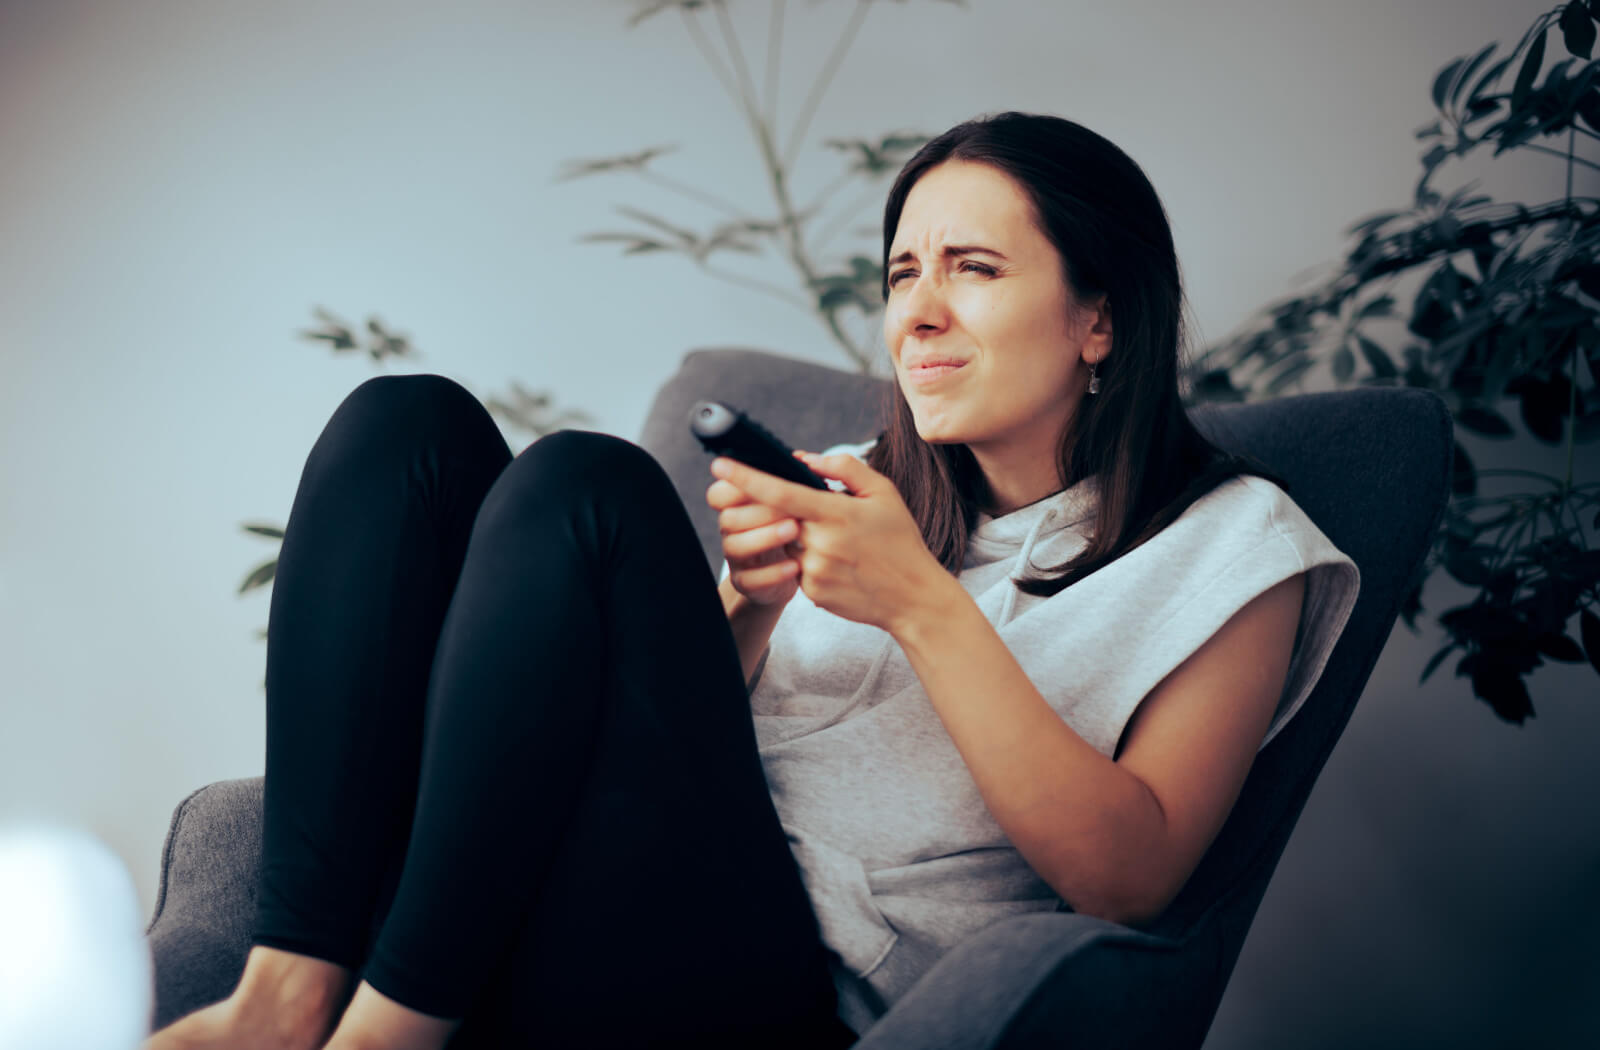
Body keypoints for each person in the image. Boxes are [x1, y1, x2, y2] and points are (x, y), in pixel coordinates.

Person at [144, 110, 1359, 1049]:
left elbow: (1132, 878)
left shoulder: (1235, 549)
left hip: (764, 997)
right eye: (900, 275)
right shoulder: (851, 487)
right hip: (543, 901)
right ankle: (289, 988)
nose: (917, 314)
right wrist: (752, 604)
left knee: (587, 488)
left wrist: (923, 606)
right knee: (403, 426)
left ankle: (387, 1035)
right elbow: (674, 752)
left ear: (1098, 318)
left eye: (973, 268)